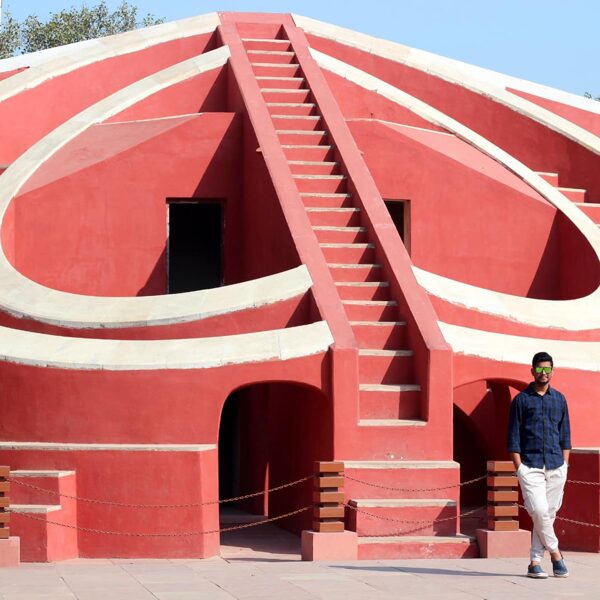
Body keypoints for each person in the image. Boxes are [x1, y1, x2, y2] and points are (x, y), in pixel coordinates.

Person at [507, 351, 571, 579]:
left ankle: (535, 562)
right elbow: (513, 437)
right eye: (540, 369)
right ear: (532, 371)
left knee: (547, 515)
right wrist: (519, 468)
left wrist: (565, 465)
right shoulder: (521, 400)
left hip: (556, 465)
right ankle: (556, 554)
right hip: (530, 465)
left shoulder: (559, 399)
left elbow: (565, 436)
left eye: (547, 369)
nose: (544, 373)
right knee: (539, 510)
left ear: (552, 371)